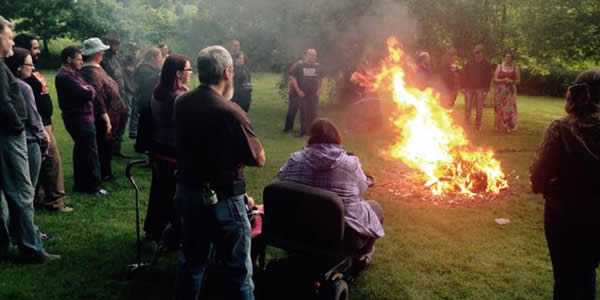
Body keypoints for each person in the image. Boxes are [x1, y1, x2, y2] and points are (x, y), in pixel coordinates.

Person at [174, 45, 265, 300]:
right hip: (224, 201)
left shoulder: (181, 102)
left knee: (191, 262)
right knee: (238, 272)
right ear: (227, 72)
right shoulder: (231, 112)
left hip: (188, 193)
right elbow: (259, 158)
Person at [530, 68, 600, 300]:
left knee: (566, 279)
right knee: (587, 271)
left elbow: (538, 176)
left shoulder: (559, 129)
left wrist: (544, 185)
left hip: (563, 217)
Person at [278, 118, 384, 266]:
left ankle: (300, 252)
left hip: (297, 229)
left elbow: (281, 178)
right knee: (375, 208)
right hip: (340, 236)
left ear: (311, 138)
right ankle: (361, 258)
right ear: (337, 138)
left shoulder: (295, 159)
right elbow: (362, 189)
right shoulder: (351, 162)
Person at [0, 16, 60, 263]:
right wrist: (17, 127)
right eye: (9, 35)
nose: (12, 40)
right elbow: (3, 103)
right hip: (8, 137)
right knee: (23, 192)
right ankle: (31, 249)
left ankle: (4, 247)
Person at [14, 33, 71, 212]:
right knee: (52, 163)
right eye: (35, 47)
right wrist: (40, 127)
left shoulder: (32, 69)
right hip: (37, 124)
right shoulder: (22, 72)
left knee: (43, 161)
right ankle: (55, 201)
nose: (38, 51)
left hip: (46, 122)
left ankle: (40, 198)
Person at [144, 54, 191, 243]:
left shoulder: (157, 91)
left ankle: (153, 230)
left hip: (159, 149)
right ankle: (171, 236)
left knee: (159, 193)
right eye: (188, 69)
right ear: (179, 74)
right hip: (173, 152)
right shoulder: (179, 98)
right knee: (174, 196)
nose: (191, 73)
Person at [56, 46, 107, 195]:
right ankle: (93, 187)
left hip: (82, 117)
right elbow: (87, 93)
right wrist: (88, 89)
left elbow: (87, 88)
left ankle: (81, 184)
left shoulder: (73, 73)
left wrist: (87, 88)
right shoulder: (64, 76)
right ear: (69, 60)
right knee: (90, 153)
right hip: (79, 119)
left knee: (81, 152)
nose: (81, 62)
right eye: (78, 59)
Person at [80, 38, 127, 182]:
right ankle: (105, 174)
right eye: (101, 51)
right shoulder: (89, 71)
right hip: (103, 116)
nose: (103, 53)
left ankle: (106, 172)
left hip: (111, 115)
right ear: (94, 53)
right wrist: (105, 116)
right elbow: (98, 97)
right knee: (103, 146)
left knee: (106, 145)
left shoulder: (96, 67)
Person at [5, 47, 48, 194]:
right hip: (29, 141)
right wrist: (44, 138)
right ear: (18, 67)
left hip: (12, 141)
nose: (33, 68)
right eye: (29, 65)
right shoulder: (23, 87)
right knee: (27, 188)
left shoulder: (6, 83)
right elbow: (33, 118)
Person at [101, 32, 130, 158]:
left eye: (118, 43)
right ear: (108, 44)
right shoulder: (104, 60)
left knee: (123, 119)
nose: (118, 46)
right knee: (113, 123)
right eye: (116, 43)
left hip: (120, 95)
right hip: (111, 97)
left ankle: (116, 148)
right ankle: (109, 149)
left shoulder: (115, 58)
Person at [290, 48, 327, 136]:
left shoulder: (318, 66)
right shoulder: (300, 66)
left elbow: (324, 78)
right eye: (311, 55)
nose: (313, 57)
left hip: (314, 94)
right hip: (303, 94)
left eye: (314, 55)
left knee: (314, 113)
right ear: (306, 55)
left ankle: (313, 132)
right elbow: (293, 78)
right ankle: (303, 131)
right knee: (303, 112)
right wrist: (298, 90)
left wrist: (320, 90)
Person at [132, 46, 162, 149]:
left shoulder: (148, 67)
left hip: (147, 99)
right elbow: (147, 82)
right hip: (145, 99)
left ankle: (142, 145)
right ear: (153, 57)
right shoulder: (144, 68)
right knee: (146, 124)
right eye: (159, 56)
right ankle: (143, 146)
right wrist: (159, 75)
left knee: (145, 123)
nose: (161, 59)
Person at [462, 44, 493, 130]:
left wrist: (486, 90)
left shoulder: (487, 64)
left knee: (479, 108)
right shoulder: (470, 63)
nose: (476, 54)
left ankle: (478, 125)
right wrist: (463, 87)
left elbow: (488, 78)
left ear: (482, 53)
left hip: (480, 89)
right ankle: (467, 123)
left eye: (478, 52)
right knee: (467, 107)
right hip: (469, 88)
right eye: (475, 52)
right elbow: (465, 75)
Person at [493, 51, 520, 132]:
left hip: (510, 91)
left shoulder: (516, 68)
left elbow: (518, 81)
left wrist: (511, 81)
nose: (508, 58)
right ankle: (500, 126)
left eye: (510, 57)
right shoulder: (499, 67)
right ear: (504, 57)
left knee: (509, 109)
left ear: (512, 59)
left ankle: (509, 126)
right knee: (499, 107)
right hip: (500, 91)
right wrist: (503, 80)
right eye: (506, 57)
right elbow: (494, 79)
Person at [122, 42, 139, 139]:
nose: (134, 51)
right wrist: (127, 87)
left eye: (136, 49)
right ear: (129, 50)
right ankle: (121, 132)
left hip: (135, 90)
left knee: (135, 112)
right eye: (133, 49)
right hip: (127, 90)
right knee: (127, 112)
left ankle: (133, 132)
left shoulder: (137, 61)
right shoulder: (124, 60)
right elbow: (123, 75)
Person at [283, 58, 303, 132]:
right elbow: (291, 75)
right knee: (292, 111)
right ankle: (288, 128)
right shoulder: (297, 65)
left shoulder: (311, 66)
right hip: (294, 93)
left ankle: (304, 129)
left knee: (304, 112)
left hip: (305, 93)